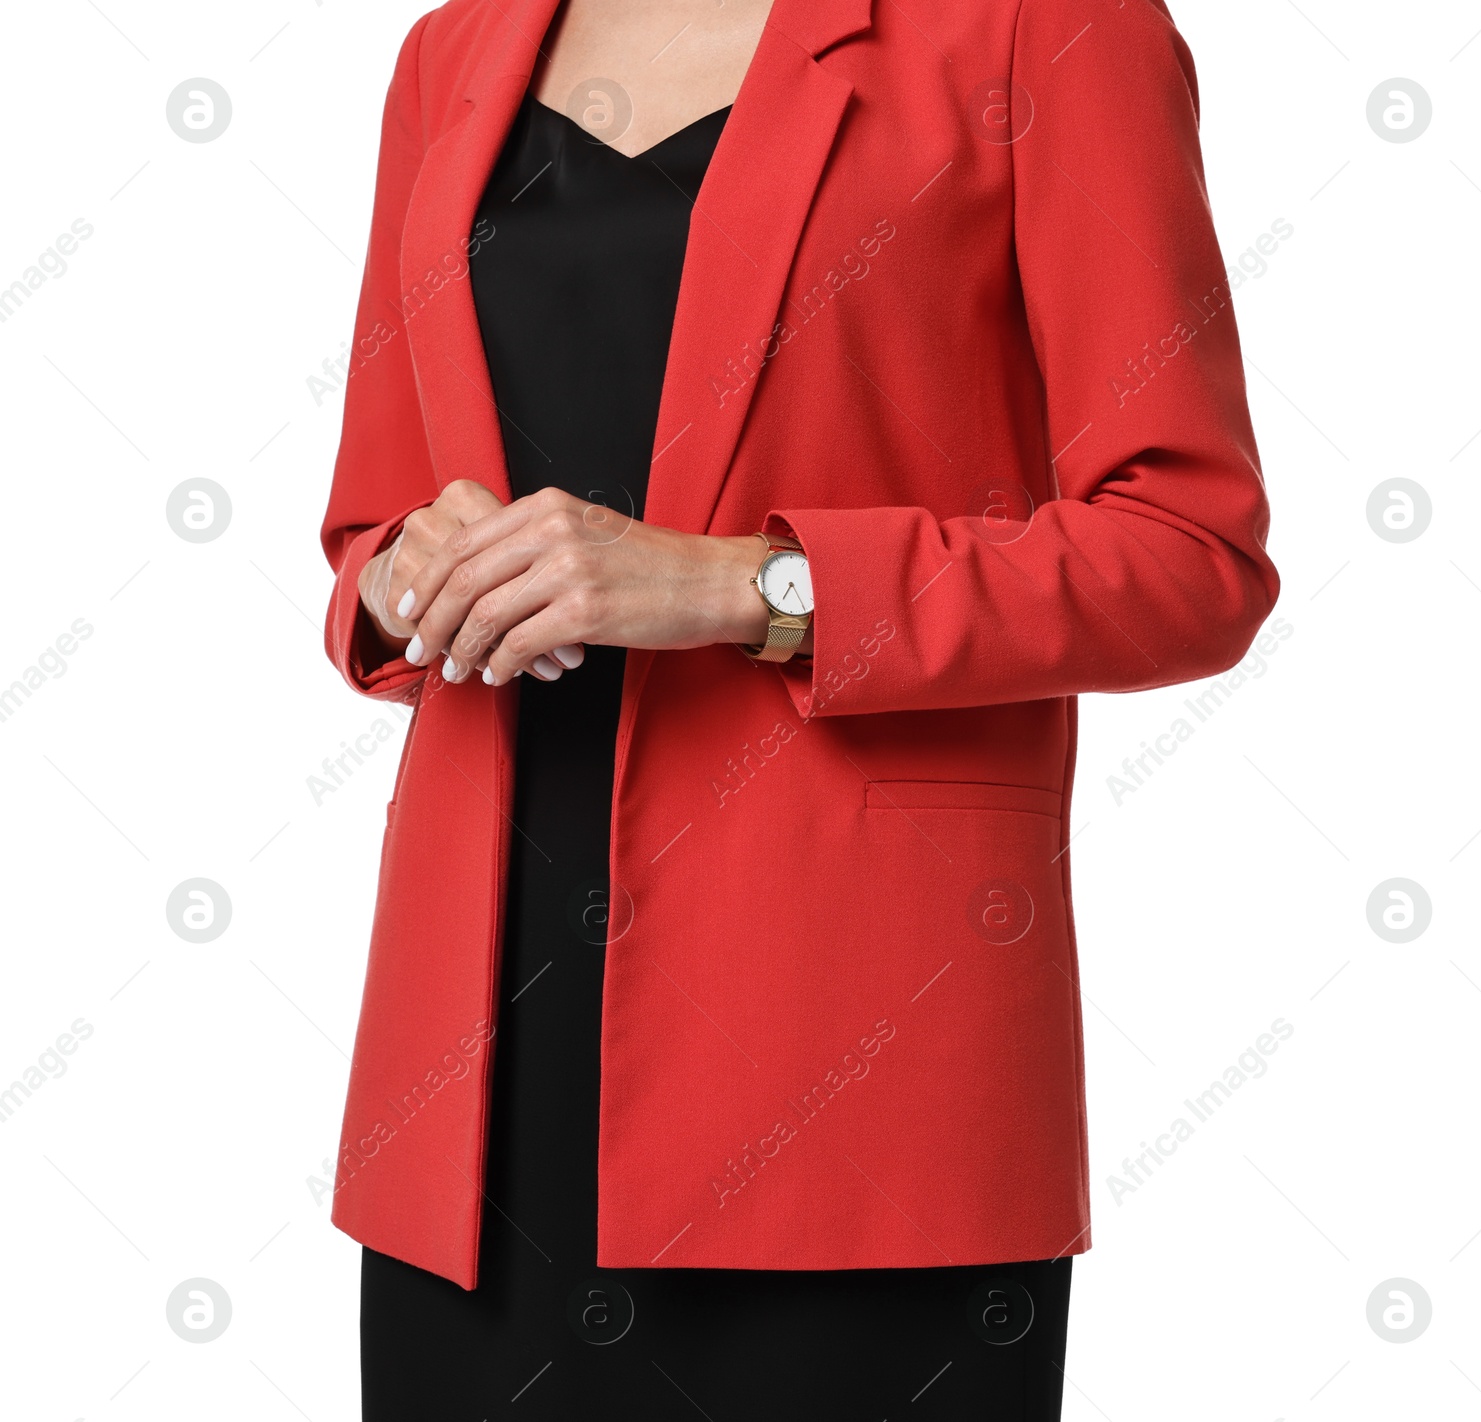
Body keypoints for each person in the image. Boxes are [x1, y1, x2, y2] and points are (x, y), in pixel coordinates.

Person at [318, 0, 1279, 1416]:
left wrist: (744, 585)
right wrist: (403, 579)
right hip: (474, 1079)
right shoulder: (448, 53)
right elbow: (369, 530)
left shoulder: (1044, 33)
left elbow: (1192, 556)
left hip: (847, 1059)